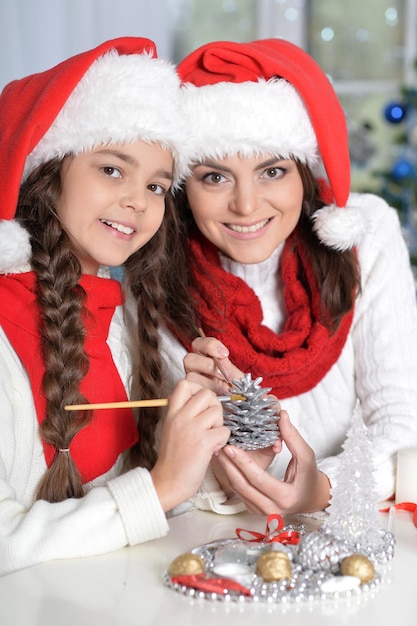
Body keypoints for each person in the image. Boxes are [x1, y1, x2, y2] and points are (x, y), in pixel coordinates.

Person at [0, 37, 230, 576]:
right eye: (111, 170)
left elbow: (139, 494)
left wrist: (205, 436)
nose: (138, 201)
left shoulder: (127, 315)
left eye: (157, 184)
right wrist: (161, 486)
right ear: (46, 171)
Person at [159, 38, 417, 517]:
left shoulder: (365, 234)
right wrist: (210, 435)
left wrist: (321, 489)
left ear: (303, 171)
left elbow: (404, 427)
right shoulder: (157, 274)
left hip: (355, 527)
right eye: (214, 177)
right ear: (182, 186)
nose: (247, 205)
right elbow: (177, 478)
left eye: (272, 171)